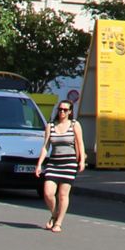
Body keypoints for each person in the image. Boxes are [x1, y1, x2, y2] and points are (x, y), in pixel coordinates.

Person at [34, 99, 85, 232]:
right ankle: (54, 213)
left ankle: (58, 223)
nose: (62, 112)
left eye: (65, 110)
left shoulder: (74, 124)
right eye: (60, 109)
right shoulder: (50, 125)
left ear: (70, 112)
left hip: (69, 163)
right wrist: (39, 164)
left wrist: (81, 161)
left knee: (63, 195)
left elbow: (80, 143)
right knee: (48, 193)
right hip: (54, 163)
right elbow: (46, 146)